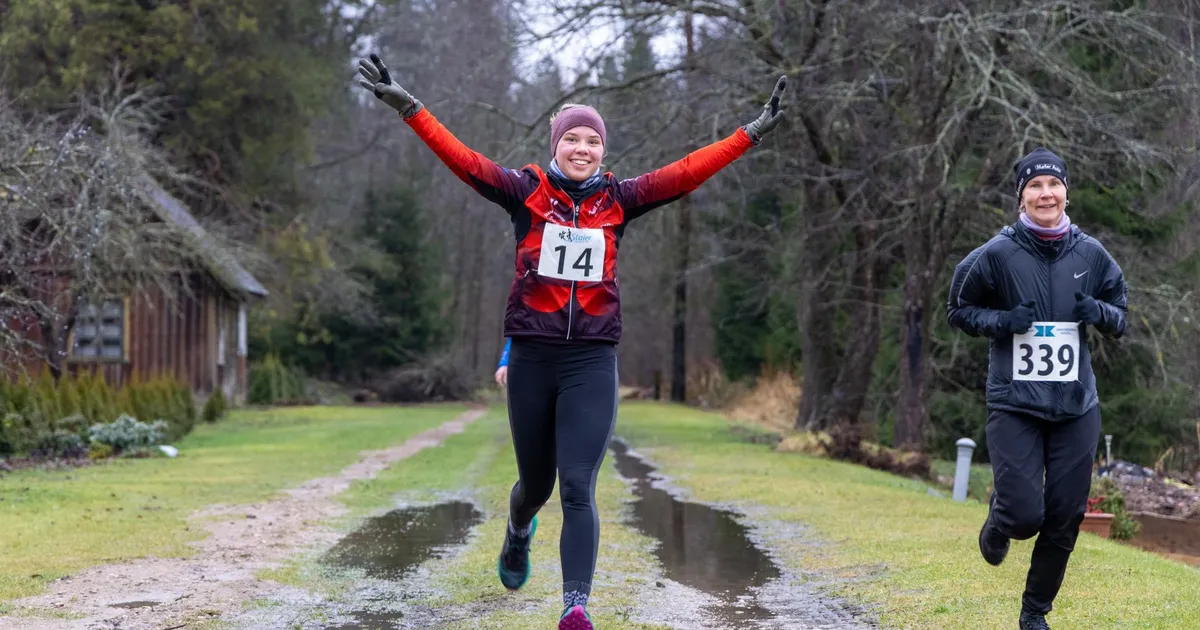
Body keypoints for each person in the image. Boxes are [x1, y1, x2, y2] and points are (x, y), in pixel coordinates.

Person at [357, 53, 787, 629]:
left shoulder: (621, 201)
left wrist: (748, 135)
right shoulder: (525, 193)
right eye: (572, 139)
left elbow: (687, 170)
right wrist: (411, 107)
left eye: (592, 141)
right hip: (533, 357)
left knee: (578, 485)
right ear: (556, 144)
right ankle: (517, 531)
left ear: (602, 151)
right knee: (534, 486)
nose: (582, 149)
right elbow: (463, 161)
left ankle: (575, 607)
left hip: (591, 359)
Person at [945, 147, 1127, 630]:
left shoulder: (1091, 253)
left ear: (1066, 192)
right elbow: (958, 310)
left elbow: (1121, 312)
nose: (1045, 194)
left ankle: (1034, 613)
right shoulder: (996, 254)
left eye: (1053, 185)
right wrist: (1004, 321)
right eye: (1035, 186)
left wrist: (1102, 315)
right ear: (1021, 197)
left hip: (1075, 405)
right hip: (1015, 403)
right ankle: (1002, 517)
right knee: (1026, 515)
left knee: (1066, 516)